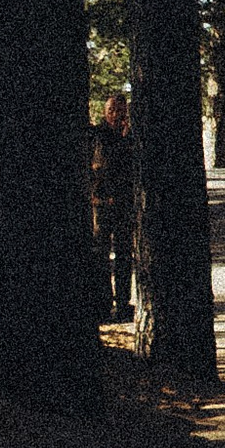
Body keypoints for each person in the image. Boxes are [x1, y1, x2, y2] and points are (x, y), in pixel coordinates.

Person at [91, 92, 135, 321]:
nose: (116, 115)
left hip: (124, 204)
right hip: (100, 204)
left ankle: (123, 302)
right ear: (104, 112)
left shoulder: (132, 137)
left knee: (124, 254)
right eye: (111, 110)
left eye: (120, 110)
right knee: (100, 255)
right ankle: (102, 303)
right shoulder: (96, 135)